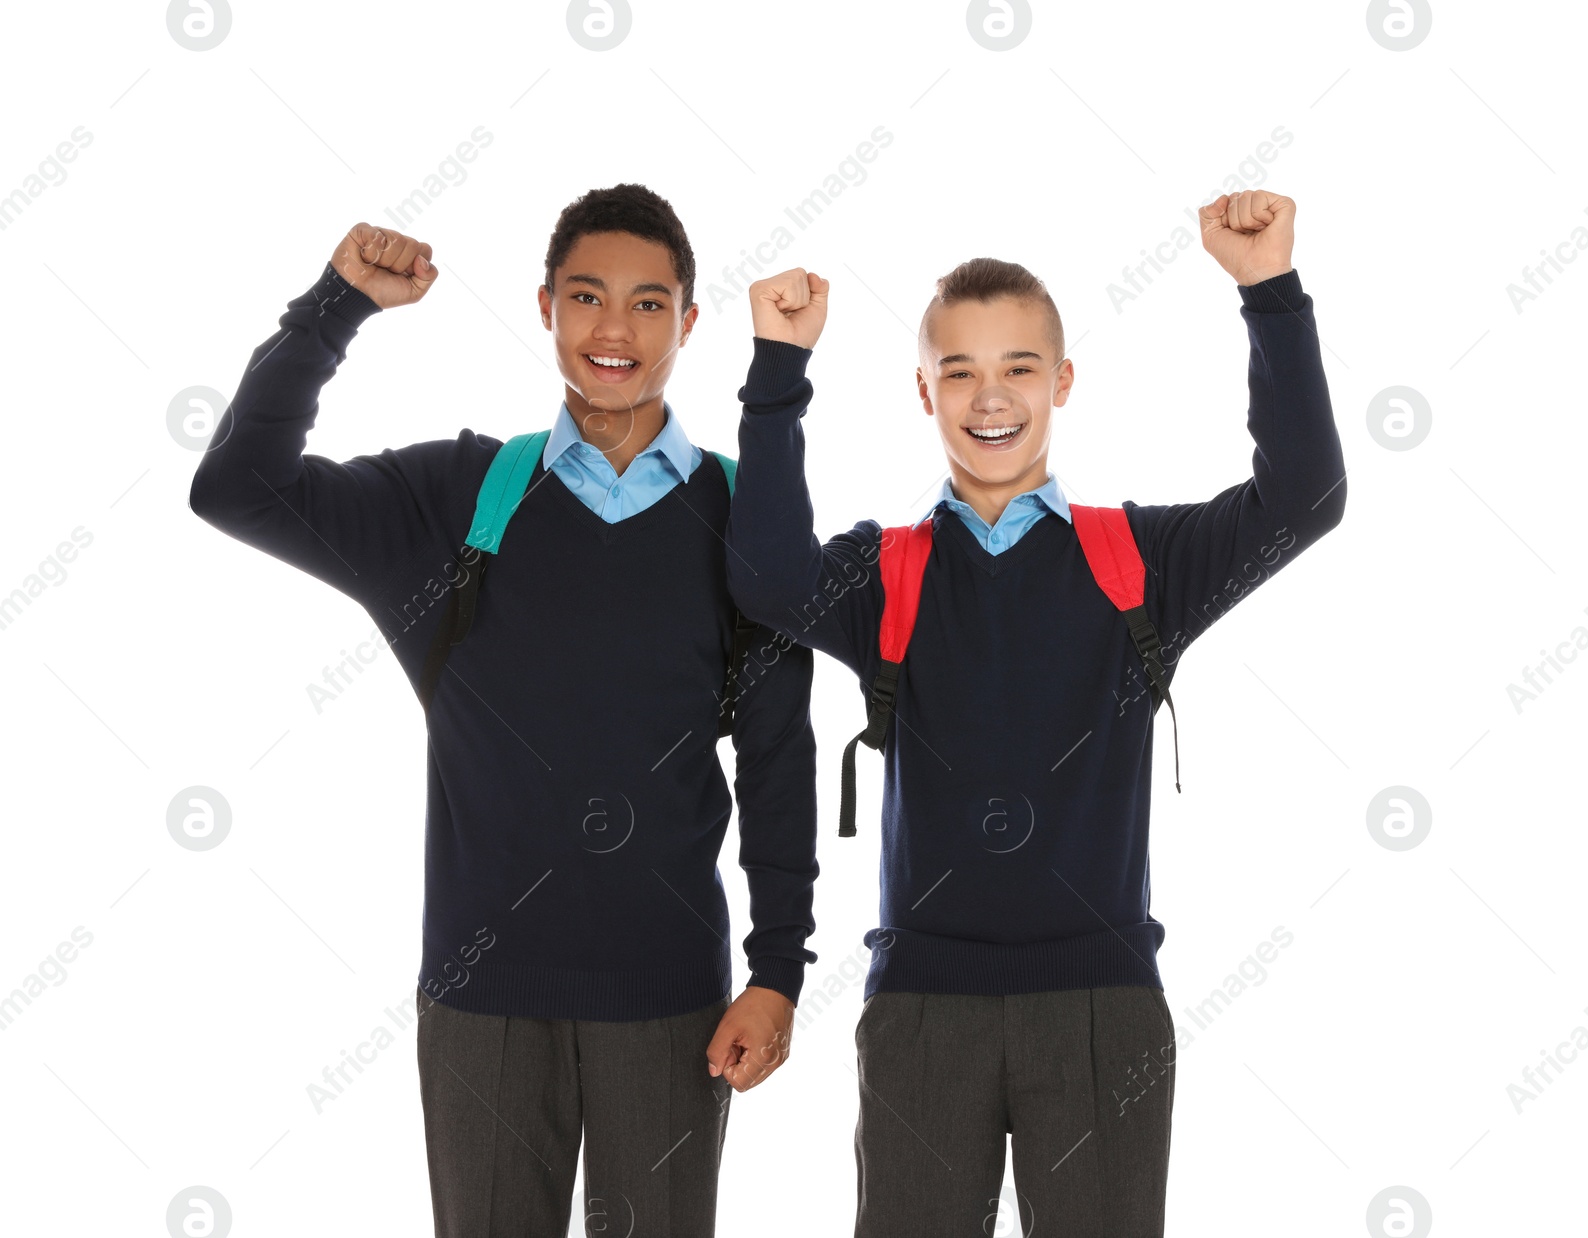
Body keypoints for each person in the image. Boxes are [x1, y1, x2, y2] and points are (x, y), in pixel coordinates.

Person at [189, 183, 819, 1236]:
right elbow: (237, 487)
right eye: (585, 297)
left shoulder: (738, 513)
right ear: (544, 308)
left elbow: (776, 758)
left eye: (647, 303)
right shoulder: (455, 503)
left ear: (689, 322)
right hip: (480, 1002)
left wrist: (777, 970)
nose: (613, 329)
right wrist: (334, 306)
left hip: (671, 1003)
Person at [723, 190, 1346, 1236]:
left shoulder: (1135, 561)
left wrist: (1267, 291)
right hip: (921, 1008)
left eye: (1017, 366)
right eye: (957, 370)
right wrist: (779, 371)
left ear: (1060, 382)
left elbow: (1304, 498)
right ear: (922, 393)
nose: (989, 394)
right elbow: (765, 576)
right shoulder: (890, 572)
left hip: (1101, 1008)